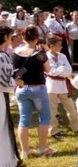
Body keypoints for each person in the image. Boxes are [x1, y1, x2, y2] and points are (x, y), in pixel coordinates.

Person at [12, 26, 57, 157]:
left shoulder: (16, 51)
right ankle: (43, 148)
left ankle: (24, 150)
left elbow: (15, 71)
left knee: (24, 119)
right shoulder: (39, 54)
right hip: (38, 88)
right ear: (37, 38)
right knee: (44, 118)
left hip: (21, 88)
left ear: (23, 37)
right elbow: (48, 70)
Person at [45, 35, 78, 140]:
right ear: (51, 46)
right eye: (59, 45)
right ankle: (53, 130)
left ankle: (76, 126)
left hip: (63, 85)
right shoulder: (45, 57)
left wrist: (59, 70)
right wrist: (62, 69)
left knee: (71, 108)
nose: (61, 47)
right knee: (52, 110)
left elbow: (68, 70)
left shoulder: (62, 56)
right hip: (51, 85)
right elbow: (51, 71)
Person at [0, 25, 24, 167]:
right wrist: (17, 82)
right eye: (10, 36)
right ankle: (4, 161)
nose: (11, 39)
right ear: (5, 37)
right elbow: (3, 81)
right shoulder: (2, 56)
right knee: (2, 127)